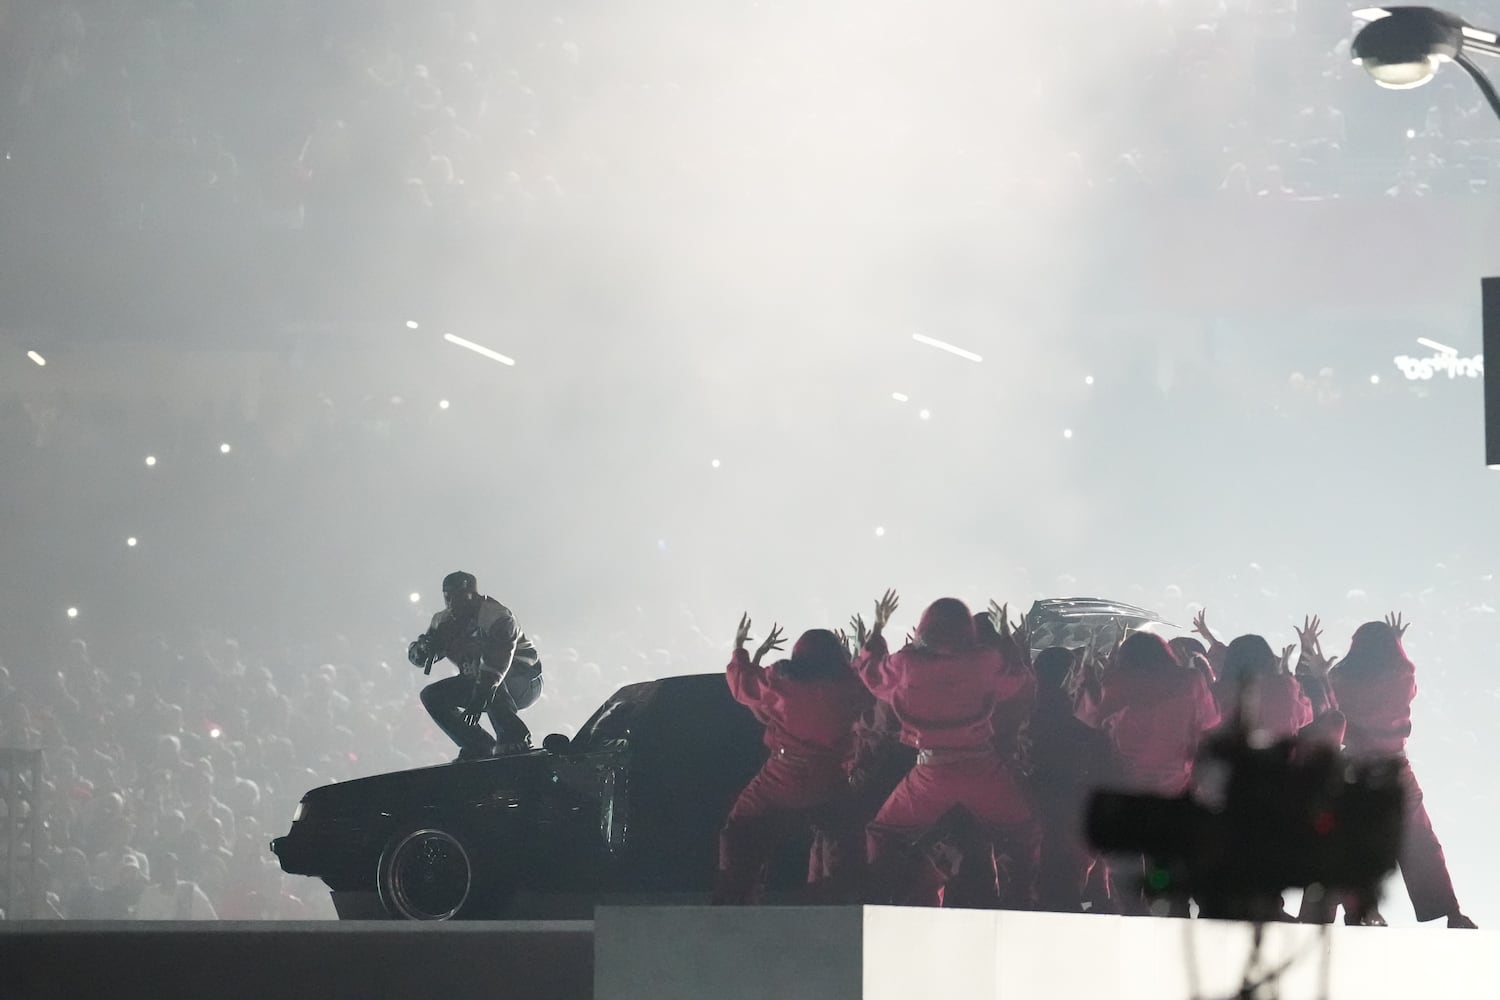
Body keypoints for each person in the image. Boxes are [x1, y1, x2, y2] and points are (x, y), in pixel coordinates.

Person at [856, 591, 1038, 907]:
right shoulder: (985, 660)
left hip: (931, 773)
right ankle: (1022, 902)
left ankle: (882, 906)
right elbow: (1017, 678)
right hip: (984, 770)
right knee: (1025, 832)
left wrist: (876, 629)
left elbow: (872, 675)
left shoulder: (906, 664)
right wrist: (1007, 635)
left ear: (924, 627)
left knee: (883, 834)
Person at [1300, 613, 1477, 929]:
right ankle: (1449, 912)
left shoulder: (1342, 678)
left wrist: (1319, 673)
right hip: (1395, 768)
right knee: (1420, 840)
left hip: (1353, 769)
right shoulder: (1402, 675)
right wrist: (1397, 643)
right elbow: (1408, 682)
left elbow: (1330, 707)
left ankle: (1335, 913)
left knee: (1341, 839)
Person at [714, 618, 872, 904]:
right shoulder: (850, 687)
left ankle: (733, 900)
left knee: (738, 828)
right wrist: (862, 649)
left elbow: (742, 686)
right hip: (829, 781)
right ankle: (839, 902)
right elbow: (868, 679)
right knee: (846, 835)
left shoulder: (781, 680)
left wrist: (741, 649)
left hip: (781, 778)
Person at [1078, 631, 1219, 915]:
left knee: (1127, 865)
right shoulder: (1190, 681)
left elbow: (1089, 716)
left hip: (1130, 789)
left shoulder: (1119, 683)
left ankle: (1135, 916)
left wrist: (1093, 673)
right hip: (1177, 787)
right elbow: (1211, 720)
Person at [408, 571, 543, 761]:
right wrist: (423, 648)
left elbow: (497, 664)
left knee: (488, 677)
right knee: (431, 696)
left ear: (474, 595)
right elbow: (419, 659)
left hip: (523, 680)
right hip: (478, 681)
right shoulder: (442, 622)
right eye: (449, 598)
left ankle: (515, 738)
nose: (454, 603)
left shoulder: (497, 616)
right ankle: (477, 744)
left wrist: (480, 698)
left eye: (460, 597)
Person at [133, 852, 217, 920]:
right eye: (165, 868)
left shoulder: (190, 891)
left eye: (172, 867)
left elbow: (211, 920)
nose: (169, 872)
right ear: (159, 871)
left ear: (177, 869)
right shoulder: (149, 895)